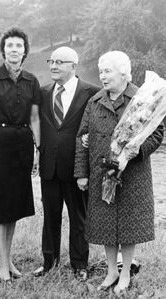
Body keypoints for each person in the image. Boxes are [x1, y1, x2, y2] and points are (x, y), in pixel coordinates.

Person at [74, 51, 163, 295]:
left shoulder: (143, 98)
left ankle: (125, 273)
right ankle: (111, 270)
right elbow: (81, 136)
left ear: (123, 73)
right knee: (104, 225)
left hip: (132, 175)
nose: (102, 76)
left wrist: (135, 151)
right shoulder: (94, 101)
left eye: (108, 71)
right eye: (101, 71)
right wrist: (81, 173)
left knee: (128, 224)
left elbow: (156, 134)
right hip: (102, 175)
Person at [0, 27, 40, 282]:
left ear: (25, 51)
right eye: (10, 45)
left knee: (14, 206)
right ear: (4, 50)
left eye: (19, 46)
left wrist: (37, 151)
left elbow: (35, 118)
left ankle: (8, 259)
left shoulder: (31, 81)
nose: (14, 50)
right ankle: (2, 263)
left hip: (22, 146)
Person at [33, 47, 99, 280]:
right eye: (51, 61)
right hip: (49, 165)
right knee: (50, 216)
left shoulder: (92, 92)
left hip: (78, 167)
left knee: (79, 217)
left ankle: (80, 264)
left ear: (74, 65)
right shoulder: (43, 92)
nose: (53, 66)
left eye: (60, 62)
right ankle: (49, 262)